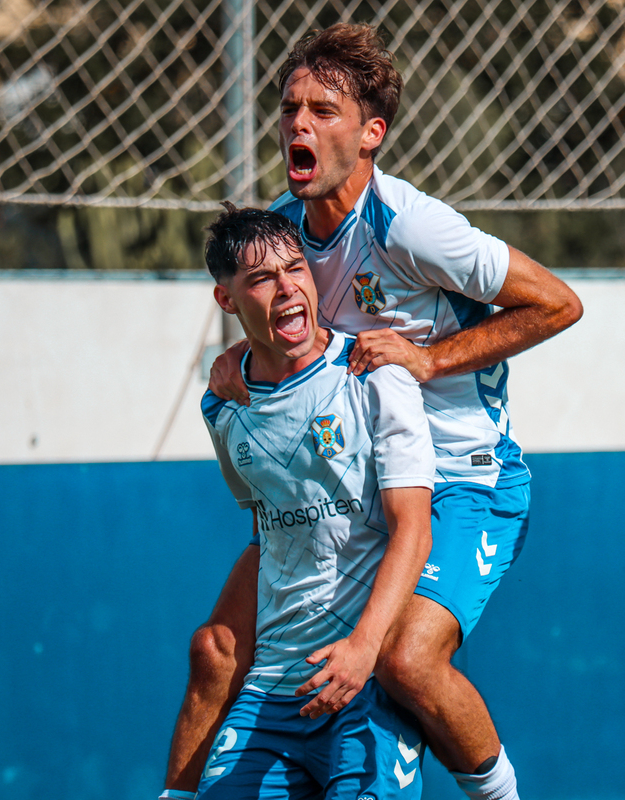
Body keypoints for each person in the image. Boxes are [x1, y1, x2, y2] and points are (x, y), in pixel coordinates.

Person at [164, 22, 582, 800]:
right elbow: (273, 315)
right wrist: (237, 359)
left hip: (460, 479)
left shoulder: (411, 226)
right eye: (290, 108)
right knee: (216, 649)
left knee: (404, 660)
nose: (298, 124)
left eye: (324, 111)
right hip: (346, 485)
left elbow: (558, 303)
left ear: (370, 134)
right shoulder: (284, 232)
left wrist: (429, 360)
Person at [194, 203, 433, 799]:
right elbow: (266, 525)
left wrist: (364, 650)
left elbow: (413, 530)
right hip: (273, 688)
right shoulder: (223, 407)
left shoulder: (375, 374)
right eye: (260, 279)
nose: (287, 289)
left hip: (364, 683)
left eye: (295, 268)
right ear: (227, 300)